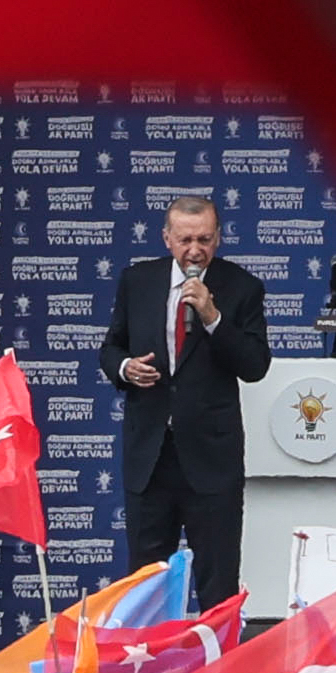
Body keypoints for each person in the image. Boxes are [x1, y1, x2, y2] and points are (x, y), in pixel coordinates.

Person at [99, 195, 272, 605]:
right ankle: (147, 667)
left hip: (211, 460)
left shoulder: (242, 287)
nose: (195, 250)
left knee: (217, 581)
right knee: (144, 584)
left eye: (205, 240)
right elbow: (110, 348)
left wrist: (213, 317)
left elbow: (254, 365)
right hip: (151, 458)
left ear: (218, 238)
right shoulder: (137, 282)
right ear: (167, 238)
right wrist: (125, 368)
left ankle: (220, 668)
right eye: (186, 240)